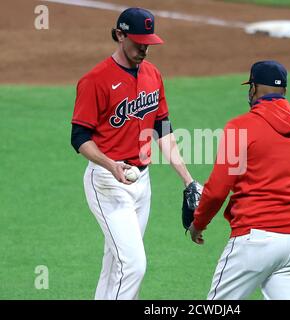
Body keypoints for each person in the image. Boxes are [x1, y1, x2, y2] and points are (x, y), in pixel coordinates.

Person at [71, 7, 197, 300]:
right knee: (133, 266)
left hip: (142, 183)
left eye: (148, 43)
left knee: (116, 262)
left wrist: (187, 180)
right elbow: (79, 138)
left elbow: (162, 128)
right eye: (138, 41)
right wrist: (109, 164)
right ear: (119, 35)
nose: (144, 48)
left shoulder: (153, 74)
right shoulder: (96, 80)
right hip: (107, 182)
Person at [189, 61, 290, 300]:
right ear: (284, 92)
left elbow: (217, 190)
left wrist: (198, 223)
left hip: (256, 239)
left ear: (253, 88)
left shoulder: (240, 127)